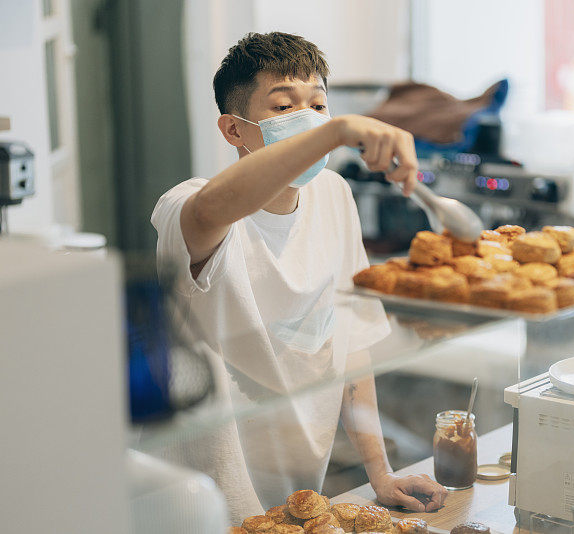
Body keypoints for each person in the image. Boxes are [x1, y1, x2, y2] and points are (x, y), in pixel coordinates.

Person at [150, 32, 447, 522]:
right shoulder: (187, 204)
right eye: (285, 108)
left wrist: (382, 473)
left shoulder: (333, 194)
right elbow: (211, 211)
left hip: (297, 500)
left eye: (318, 106)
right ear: (234, 131)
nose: (308, 121)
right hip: (200, 503)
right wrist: (332, 133)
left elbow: (351, 343)